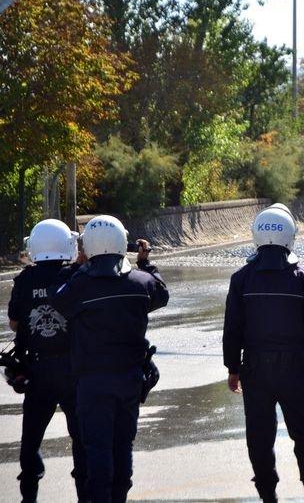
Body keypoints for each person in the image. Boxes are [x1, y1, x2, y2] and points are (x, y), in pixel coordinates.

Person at [48, 215, 168, 503]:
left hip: (92, 383)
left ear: (87, 246)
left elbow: (57, 299)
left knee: (98, 452)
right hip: (129, 379)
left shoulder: (80, 286)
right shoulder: (141, 283)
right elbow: (162, 293)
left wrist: (77, 266)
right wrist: (145, 262)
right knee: (122, 448)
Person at [223, 204, 304, 503]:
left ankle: (268, 498)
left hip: (255, 372)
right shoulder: (303, 280)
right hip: (293, 372)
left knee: (259, 440)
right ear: (289, 237)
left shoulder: (241, 279)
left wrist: (233, 369)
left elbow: (232, 329)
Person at [7, 219, 88, 502]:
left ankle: (29, 496)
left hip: (37, 369)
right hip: (72, 368)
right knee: (81, 437)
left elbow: (15, 323)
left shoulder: (24, 280)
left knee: (31, 439)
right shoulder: (76, 276)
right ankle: (85, 495)